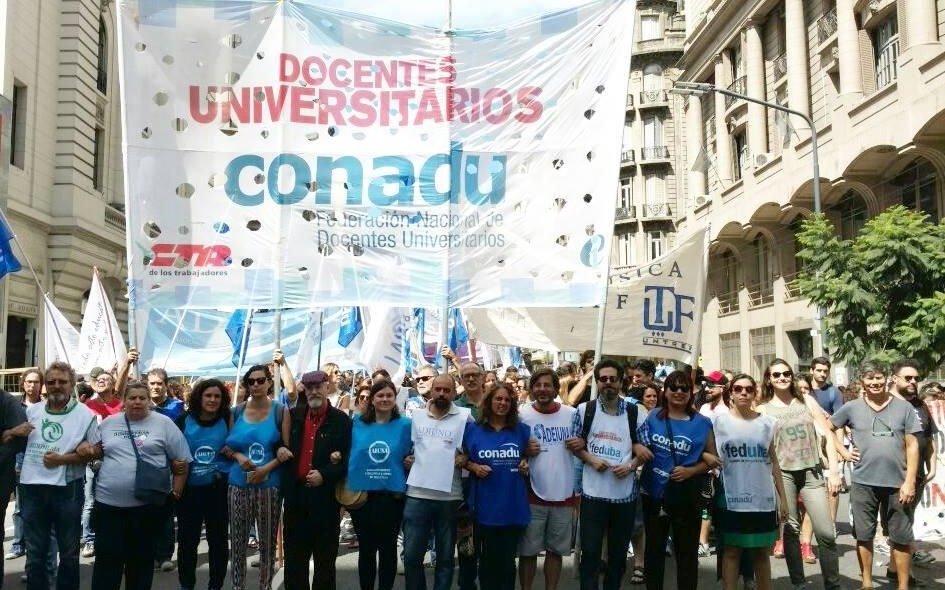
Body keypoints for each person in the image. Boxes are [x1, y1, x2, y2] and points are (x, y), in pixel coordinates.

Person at [87, 380, 191, 590]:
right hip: (109, 507)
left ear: (148, 401)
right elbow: (93, 449)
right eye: (132, 398)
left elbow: (182, 460)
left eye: (142, 398)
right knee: (107, 564)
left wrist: (176, 492)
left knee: (140, 565)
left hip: (146, 509)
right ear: (124, 401)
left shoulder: (164, 424)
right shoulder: (108, 424)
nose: (137, 402)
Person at [830, 360, 923, 590]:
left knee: (901, 537)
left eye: (879, 377)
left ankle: (902, 586)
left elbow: (912, 445)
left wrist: (910, 481)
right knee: (864, 535)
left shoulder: (904, 408)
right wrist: (843, 450)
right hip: (863, 483)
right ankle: (867, 583)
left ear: (887, 379)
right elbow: (829, 427)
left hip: (897, 484)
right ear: (862, 381)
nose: (875, 382)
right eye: (870, 378)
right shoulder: (852, 407)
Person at [5, 362, 93, 590]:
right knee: (35, 555)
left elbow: (97, 453)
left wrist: (67, 458)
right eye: (51, 382)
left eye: (62, 381)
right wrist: (14, 431)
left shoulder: (86, 415)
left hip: (67, 490)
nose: (56, 386)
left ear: (72, 384)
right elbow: (12, 441)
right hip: (31, 489)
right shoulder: (31, 411)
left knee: (69, 554)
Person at [755, 359, 842, 590]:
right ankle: (799, 582)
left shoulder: (807, 401)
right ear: (769, 379)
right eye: (776, 375)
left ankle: (833, 584)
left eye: (786, 374)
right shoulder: (763, 409)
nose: (782, 378)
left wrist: (834, 471)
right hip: (784, 475)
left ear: (792, 376)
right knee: (791, 532)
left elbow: (829, 436)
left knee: (826, 533)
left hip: (812, 473)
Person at [570, 359, 649, 590]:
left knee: (617, 558)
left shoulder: (635, 413)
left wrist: (632, 465)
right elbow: (574, 444)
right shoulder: (585, 410)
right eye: (603, 379)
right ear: (597, 382)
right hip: (593, 495)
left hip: (623, 497)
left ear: (621, 381)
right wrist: (591, 459)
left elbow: (645, 449)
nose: (608, 384)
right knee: (591, 556)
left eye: (612, 379)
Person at [637, 370, 716, 590]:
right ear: (666, 391)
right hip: (653, 494)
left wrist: (691, 471)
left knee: (687, 554)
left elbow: (713, 459)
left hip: (687, 494)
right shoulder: (653, 417)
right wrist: (637, 447)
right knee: (654, 553)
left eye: (684, 388)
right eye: (674, 387)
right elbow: (637, 444)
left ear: (691, 393)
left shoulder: (703, 422)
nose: (679, 392)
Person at [713, 374, 787, 590]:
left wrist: (783, 499)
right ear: (731, 393)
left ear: (755, 393)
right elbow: (708, 455)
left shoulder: (767, 423)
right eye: (738, 388)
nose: (743, 392)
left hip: (762, 498)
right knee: (732, 550)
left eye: (748, 389)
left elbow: (773, 462)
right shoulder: (717, 423)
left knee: (761, 552)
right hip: (730, 497)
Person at [281, 370, 352, 590]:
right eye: (309, 387)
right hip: (296, 497)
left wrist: (326, 473)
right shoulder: (293, 416)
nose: (314, 391)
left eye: (318, 386)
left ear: (327, 387)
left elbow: (350, 458)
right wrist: (281, 448)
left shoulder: (341, 420)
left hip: (326, 499)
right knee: (294, 560)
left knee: (325, 561)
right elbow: (278, 443)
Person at [402, 374, 471, 590]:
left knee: (445, 558)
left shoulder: (465, 417)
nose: (441, 393)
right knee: (412, 556)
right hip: (417, 495)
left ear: (453, 392)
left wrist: (466, 458)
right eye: (438, 389)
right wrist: (407, 458)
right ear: (431, 391)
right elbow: (408, 449)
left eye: (446, 390)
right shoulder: (416, 416)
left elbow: (475, 450)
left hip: (449, 497)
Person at [463, 383, 533, 590]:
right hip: (484, 505)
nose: (502, 403)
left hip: (513, 504)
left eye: (507, 400)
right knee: (486, 561)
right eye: (498, 399)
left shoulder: (521, 431)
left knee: (507, 562)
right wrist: (473, 466)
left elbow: (528, 459)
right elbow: (461, 459)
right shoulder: (472, 430)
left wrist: (525, 463)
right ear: (489, 401)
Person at [517, 368, 582, 590]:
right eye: (538, 385)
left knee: (556, 552)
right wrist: (522, 451)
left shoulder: (572, 414)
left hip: (564, 492)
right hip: (531, 494)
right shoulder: (521, 414)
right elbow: (510, 448)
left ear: (556, 389)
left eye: (547, 385)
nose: (542, 389)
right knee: (528, 551)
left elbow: (583, 445)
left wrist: (580, 444)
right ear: (531, 389)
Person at [224, 364, 286, 590]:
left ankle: (265, 586)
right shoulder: (236, 411)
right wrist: (239, 456)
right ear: (247, 385)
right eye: (252, 381)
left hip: (268, 485)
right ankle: (237, 586)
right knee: (238, 541)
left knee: (267, 543)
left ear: (270, 382)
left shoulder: (280, 411)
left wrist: (265, 469)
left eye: (261, 380)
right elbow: (227, 447)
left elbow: (286, 450)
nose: (256, 385)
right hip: (238, 483)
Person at [347, 378, 413, 590]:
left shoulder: (406, 425)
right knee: (366, 549)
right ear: (372, 399)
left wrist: (411, 459)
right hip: (363, 496)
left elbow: (417, 451)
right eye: (380, 395)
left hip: (392, 496)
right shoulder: (357, 423)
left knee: (388, 549)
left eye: (389, 395)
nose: (384, 399)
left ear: (395, 399)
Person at [175, 378, 232, 590]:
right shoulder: (183, 420)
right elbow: (172, 451)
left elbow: (239, 443)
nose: (213, 399)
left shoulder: (228, 418)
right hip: (190, 491)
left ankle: (215, 586)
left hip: (219, 490)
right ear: (199, 397)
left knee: (218, 543)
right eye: (208, 395)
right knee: (187, 543)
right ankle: (186, 585)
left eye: (217, 396)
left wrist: (232, 452)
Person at [888, 360, 936, 573]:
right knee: (901, 523)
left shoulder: (919, 404)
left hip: (918, 474)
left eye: (916, 378)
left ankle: (893, 567)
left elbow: (929, 436)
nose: (913, 382)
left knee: (906, 520)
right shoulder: (885, 403)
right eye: (908, 378)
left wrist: (931, 465)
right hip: (895, 473)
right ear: (894, 378)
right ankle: (903, 575)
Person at [145, 367, 183, 571]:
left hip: (169, 466)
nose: (155, 387)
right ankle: (147, 553)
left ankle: (165, 554)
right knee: (144, 512)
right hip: (145, 466)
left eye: (159, 383)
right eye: (152, 383)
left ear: (166, 385)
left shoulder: (178, 407)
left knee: (165, 512)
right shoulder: (141, 405)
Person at [9, 369, 45, 561]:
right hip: (19, 459)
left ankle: (35, 548)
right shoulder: (14, 406)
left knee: (37, 507)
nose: (32, 386)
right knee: (19, 507)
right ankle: (18, 544)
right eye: (29, 382)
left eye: (36, 382)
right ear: (23, 384)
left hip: (40, 461)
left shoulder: (47, 407)